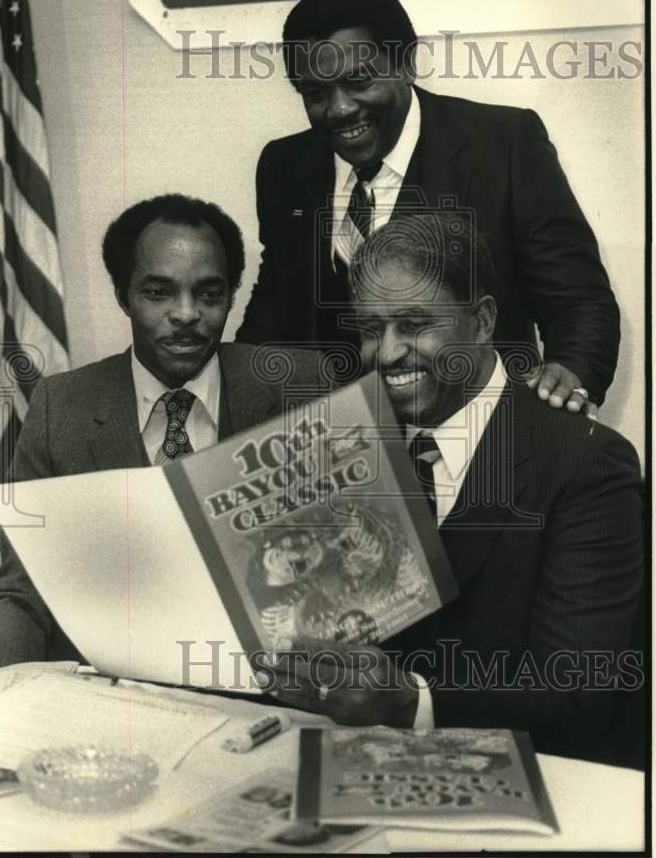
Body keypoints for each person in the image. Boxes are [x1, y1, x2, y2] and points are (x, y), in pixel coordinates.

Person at [256, 212, 642, 762]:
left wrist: (411, 703)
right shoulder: (346, 444)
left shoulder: (586, 463)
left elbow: (575, 692)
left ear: (482, 322)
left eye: (414, 324)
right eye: (371, 329)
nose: (387, 353)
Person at [0, 194, 328, 671]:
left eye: (209, 294)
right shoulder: (62, 408)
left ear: (232, 295)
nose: (186, 314)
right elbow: (21, 591)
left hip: (270, 695)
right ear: (123, 295)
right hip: (116, 705)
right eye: (158, 292)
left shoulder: (302, 387)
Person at [236, 0, 620, 415]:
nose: (339, 109)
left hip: (483, 435)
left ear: (406, 64)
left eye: (359, 81)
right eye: (315, 93)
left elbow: (577, 298)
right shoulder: (282, 165)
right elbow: (275, 304)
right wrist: (235, 393)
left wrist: (570, 372)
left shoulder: (504, 144)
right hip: (341, 444)